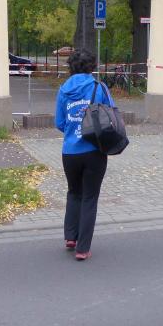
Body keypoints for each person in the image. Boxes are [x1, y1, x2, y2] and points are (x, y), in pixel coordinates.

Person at [55, 50, 114, 261]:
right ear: (92, 66)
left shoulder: (63, 89)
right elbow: (112, 114)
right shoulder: (99, 87)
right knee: (89, 197)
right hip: (94, 150)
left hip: (70, 151)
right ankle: (83, 248)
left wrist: (73, 130)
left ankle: (71, 237)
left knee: (74, 192)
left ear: (71, 66)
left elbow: (59, 123)